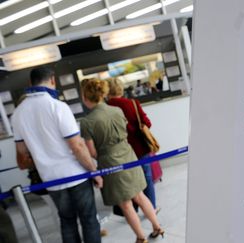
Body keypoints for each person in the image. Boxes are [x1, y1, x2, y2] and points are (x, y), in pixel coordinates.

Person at [11, 67, 102, 243]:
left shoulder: (18, 114)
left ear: (30, 83)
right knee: (89, 219)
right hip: (76, 175)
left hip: (50, 179)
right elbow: (77, 146)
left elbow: (22, 154)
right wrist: (93, 170)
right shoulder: (57, 106)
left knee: (67, 222)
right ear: (53, 80)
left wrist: (41, 153)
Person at [80, 78, 164, 243]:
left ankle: (141, 238)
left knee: (126, 204)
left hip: (110, 162)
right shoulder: (117, 110)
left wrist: (104, 154)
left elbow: (91, 151)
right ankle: (157, 227)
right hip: (129, 155)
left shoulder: (87, 122)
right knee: (139, 195)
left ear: (86, 97)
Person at [106, 78, 159, 211]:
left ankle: (132, 210)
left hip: (119, 151)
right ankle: (151, 208)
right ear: (120, 89)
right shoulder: (132, 103)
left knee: (127, 180)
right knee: (146, 176)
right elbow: (148, 123)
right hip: (139, 147)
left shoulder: (106, 109)